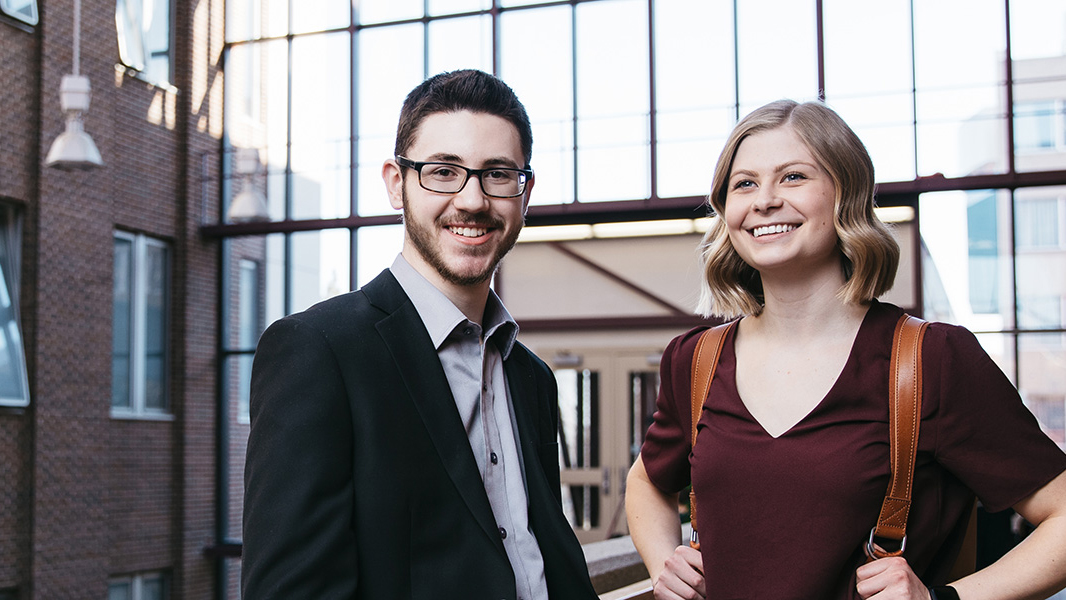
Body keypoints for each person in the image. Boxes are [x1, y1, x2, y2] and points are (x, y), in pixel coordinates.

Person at [625, 99, 1066, 600]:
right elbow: (647, 479)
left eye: (793, 177)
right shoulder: (695, 361)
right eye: (744, 183)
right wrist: (666, 564)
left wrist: (944, 598)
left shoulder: (930, 361)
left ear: (845, 194)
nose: (764, 200)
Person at [242, 69, 598, 600]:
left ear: (524, 195)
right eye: (443, 171)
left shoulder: (532, 378)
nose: (473, 200)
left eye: (497, 174)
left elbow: (541, 556)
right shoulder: (317, 352)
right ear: (395, 182)